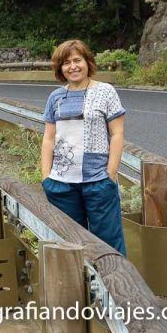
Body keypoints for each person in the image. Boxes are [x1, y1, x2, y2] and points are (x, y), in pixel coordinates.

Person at [40, 39, 127, 256]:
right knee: (69, 246)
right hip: (61, 185)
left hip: (98, 181)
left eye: (77, 60)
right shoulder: (56, 97)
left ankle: (114, 288)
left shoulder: (105, 92)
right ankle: (78, 289)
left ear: (88, 62)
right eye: (66, 62)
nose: (73, 66)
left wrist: (111, 174)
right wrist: (46, 176)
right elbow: (48, 138)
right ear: (61, 68)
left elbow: (117, 134)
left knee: (108, 246)